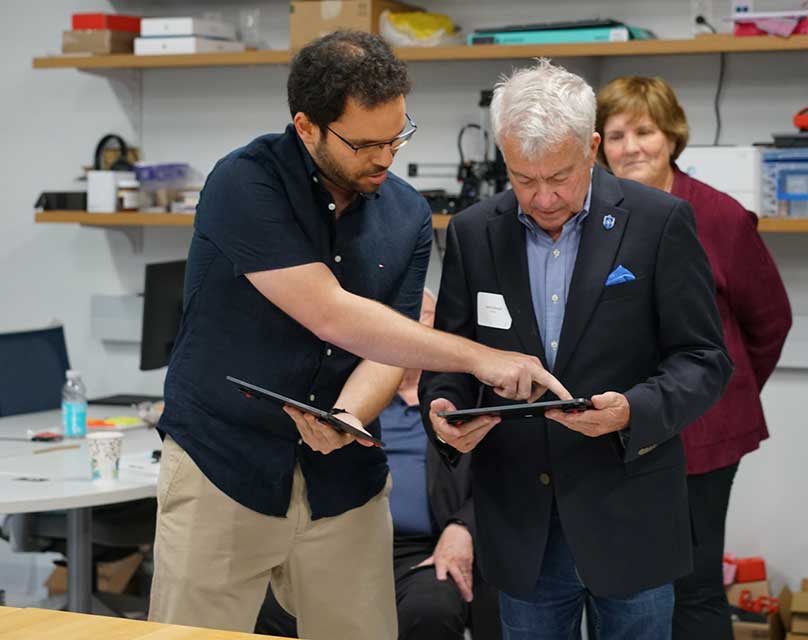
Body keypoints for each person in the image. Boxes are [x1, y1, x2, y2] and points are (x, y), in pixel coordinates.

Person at [148, 32, 567, 640]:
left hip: (344, 481)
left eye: (398, 135)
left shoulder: (406, 215)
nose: (385, 157)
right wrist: (481, 358)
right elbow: (332, 314)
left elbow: (387, 344)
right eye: (365, 143)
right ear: (307, 126)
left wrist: (346, 415)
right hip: (225, 464)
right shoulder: (245, 184)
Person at [419, 59, 733, 640]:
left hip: (628, 511)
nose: (541, 197)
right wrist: (443, 412)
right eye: (522, 177)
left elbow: (705, 360)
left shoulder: (658, 222)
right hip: (521, 522)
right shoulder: (473, 231)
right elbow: (453, 358)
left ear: (592, 147)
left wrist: (633, 411)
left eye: (559, 176)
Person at [596, 75, 793, 640]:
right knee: (627, 582)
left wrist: (723, 390)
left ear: (672, 136)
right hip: (621, 426)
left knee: (695, 583)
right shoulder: (599, 216)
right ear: (598, 145)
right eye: (616, 135)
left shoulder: (721, 218)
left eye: (644, 131)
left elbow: (770, 322)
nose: (631, 147)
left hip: (702, 433)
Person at [254, 291, 501, 640]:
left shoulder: (461, 404)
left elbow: (501, 480)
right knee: (271, 608)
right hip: (345, 541)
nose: (407, 327)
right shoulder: (354, 398)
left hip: (423, 551)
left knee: (430, 610)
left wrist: (464, 528)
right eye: (397, 318)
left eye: (423, 315)